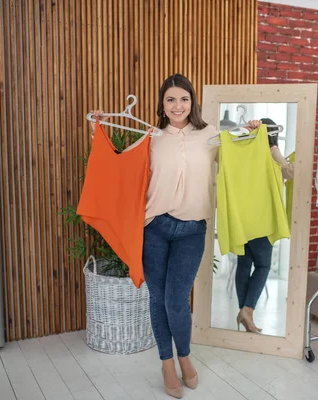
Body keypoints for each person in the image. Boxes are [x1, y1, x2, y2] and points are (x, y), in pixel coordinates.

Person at [90, 74, 261, 398]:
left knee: (175, 299)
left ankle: (184, 355)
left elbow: (239, 163)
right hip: (154, 226)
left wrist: (252, 135)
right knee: (158, 298)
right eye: (170, 100)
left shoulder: (211, 136)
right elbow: (118, 167)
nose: (177, 105)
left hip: (191, 230)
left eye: (183, 99)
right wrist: (97, 128)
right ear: (162, 104)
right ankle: (166, 362)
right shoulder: (151, 137)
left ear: (192, 101)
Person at [234, 118, 294, 334]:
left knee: (244, 263)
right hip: (262, 217)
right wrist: (277, 152)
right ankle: (247, 310)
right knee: (263, 265)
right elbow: (289, 172)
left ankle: (245, 313)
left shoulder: (244, 151)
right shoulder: (272, 154)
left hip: (243, 215)